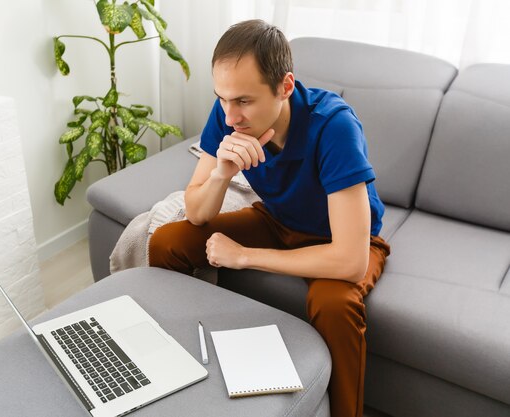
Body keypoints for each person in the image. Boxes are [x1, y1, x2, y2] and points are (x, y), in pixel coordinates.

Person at [148, 19, 390, 417]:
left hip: (344, 241)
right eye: (222, 99)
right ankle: (176, 365)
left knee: (333, 304)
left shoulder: (334, 127)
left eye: (243, 101)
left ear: (285, 87)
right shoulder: (227, 111)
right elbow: (196, 211)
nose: (229, 117)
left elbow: (350, 260)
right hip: (277, 220)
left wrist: (244, 256)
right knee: (167, 241)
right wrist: (222, 174)